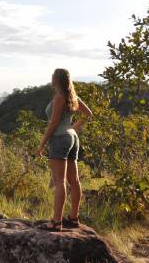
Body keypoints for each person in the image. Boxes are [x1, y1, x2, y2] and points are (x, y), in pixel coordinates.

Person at [35, 68, 93, 231]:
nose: (50, 78)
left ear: (56, 80)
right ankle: (74, 218)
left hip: (60, 139)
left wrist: (41, 145)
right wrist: (73, 128)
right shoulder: (73, 96)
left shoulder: (60, 97)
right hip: (72, 138)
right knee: (74, 181)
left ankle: (56, 222)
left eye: (52, 76)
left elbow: (53, 124)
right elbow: (88, 114)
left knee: (59, 182)